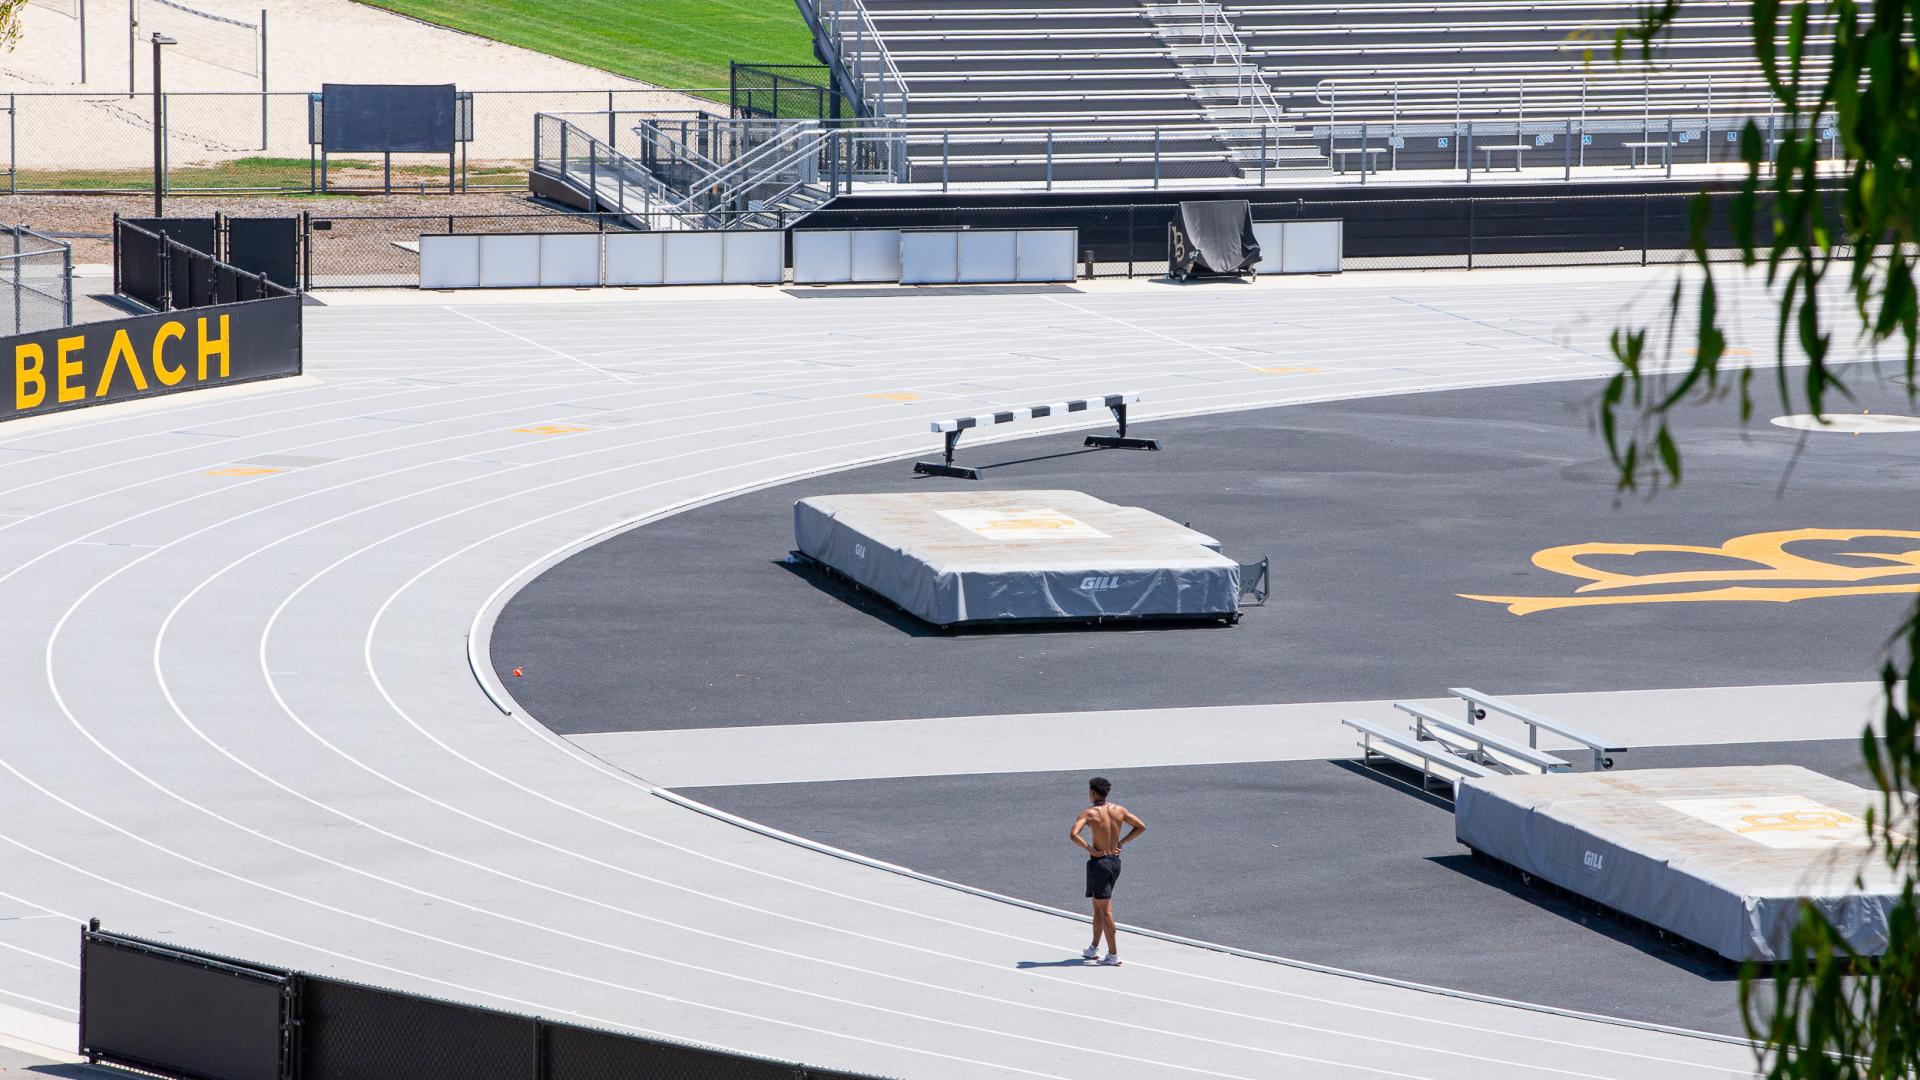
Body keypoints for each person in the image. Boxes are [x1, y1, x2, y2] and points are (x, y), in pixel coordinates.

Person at [1069, 776, 1144, 966]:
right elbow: (1140, 826)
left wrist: (1089, 848)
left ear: (1092, 793)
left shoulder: (1089, 813)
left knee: (1106, 910)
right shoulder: (1119, 810)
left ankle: (1113, 954)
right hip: (1114, 862)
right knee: (1097, 906)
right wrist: (1121, 842)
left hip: (1100, 863)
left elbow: (1073, 834)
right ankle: (1094, 947)